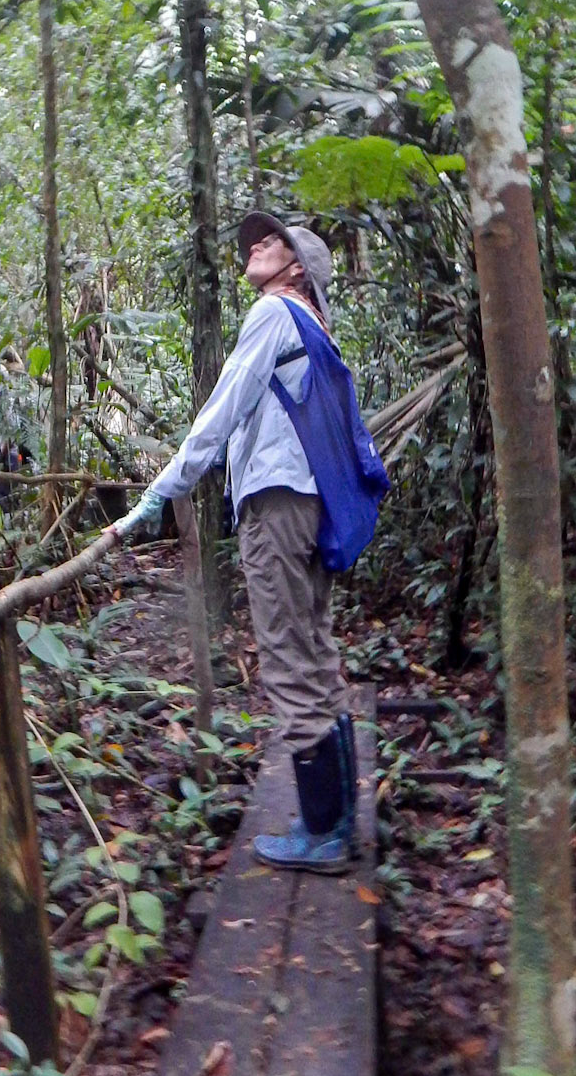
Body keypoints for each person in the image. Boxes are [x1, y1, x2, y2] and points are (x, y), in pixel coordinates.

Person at [114, 212, 382, 875]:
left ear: (297, 268)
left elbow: (223, 408)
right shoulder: (316, 329)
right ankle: (337, 822)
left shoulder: (272, 313)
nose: (257, 245)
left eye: (274, 241)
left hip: (276, 507)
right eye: (256, 240)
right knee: (315, 653)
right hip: (313, 507)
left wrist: (162, 490)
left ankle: (323, 833)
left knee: (288, 659)